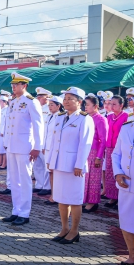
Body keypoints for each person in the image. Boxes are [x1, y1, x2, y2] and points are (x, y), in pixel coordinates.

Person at [47, 87, 94, 244]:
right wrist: (50, 160)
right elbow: (54, 141)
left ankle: (74, 231)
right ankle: (64, 228)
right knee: (61, 198)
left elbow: (85, 143)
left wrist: (80, 164)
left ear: (79, 102)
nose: (66, 101)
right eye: (65, 98)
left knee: (74, 199)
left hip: (74, 166)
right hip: (59, 163)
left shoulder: (84, 119)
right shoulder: (60, 117)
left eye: (70, 98)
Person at [2, 72, 43, 226]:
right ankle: (16, 210)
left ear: (24, 86)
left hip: (25, 147)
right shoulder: (13, 102)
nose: (13, 87)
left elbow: (39, 126)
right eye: (12, 85)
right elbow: (9, 124)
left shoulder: (32, 102)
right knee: (14, 179)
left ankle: (25, 213)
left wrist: (37, 147)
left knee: (25, 180)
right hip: (12, 146)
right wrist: (6, 142)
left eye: (16, 84)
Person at [111, 101, 134, 265]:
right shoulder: (127, 127)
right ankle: (132, 255)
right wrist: (118, 173)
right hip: (127, 184)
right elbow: (116, 154)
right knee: (127, 222)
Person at [82, 95, 108, 212]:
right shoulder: (86, 117)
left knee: (93, 179)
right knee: (85, 178)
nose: (85, 107)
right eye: (85, 104)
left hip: (95, 152)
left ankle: (93, 202)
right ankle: (86, 199)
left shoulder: (101, 119)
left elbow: (103, 140)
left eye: (87, 104)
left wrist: (99, 157)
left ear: (96, 106)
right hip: (86, 151)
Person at [105, 95, 128, 209]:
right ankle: (112, 197)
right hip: (109, 148)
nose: (111, 106)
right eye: (110, 104)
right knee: (110, 173)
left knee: (120, 171)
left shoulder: (127, 117)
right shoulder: (109, 117)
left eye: (114, 104)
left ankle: (120, 198)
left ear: (121, 105)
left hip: (121, 148)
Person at [42, 96, 64, 205]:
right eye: (49, 105)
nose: (49, 107)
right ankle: (53, 194)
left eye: (52, 105)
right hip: (47, 148)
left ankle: (56, 196)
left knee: (54, 172)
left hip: (54, 149)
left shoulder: (61, 117)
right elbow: (46, 133)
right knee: (50, 172)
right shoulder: (49, 116)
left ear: (58, 106)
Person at [33, 87, 52, 196]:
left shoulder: (48, 109)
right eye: (38, 97)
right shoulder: (37, 108)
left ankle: (46, 186)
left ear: (47, 98)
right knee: (37, 165)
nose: (39, 98)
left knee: (46, 166)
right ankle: (39, 185)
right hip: (37, 141)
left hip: (45, 142)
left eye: (41, 97)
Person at [0, 95, 8, 169]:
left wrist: (3, 130)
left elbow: (5, 122)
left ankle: (4, 163)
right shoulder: (0, 110)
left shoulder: (7, 110)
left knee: (4, 150)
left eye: (0, 101)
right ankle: (0, 162)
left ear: (5, 102)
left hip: (3, 132)